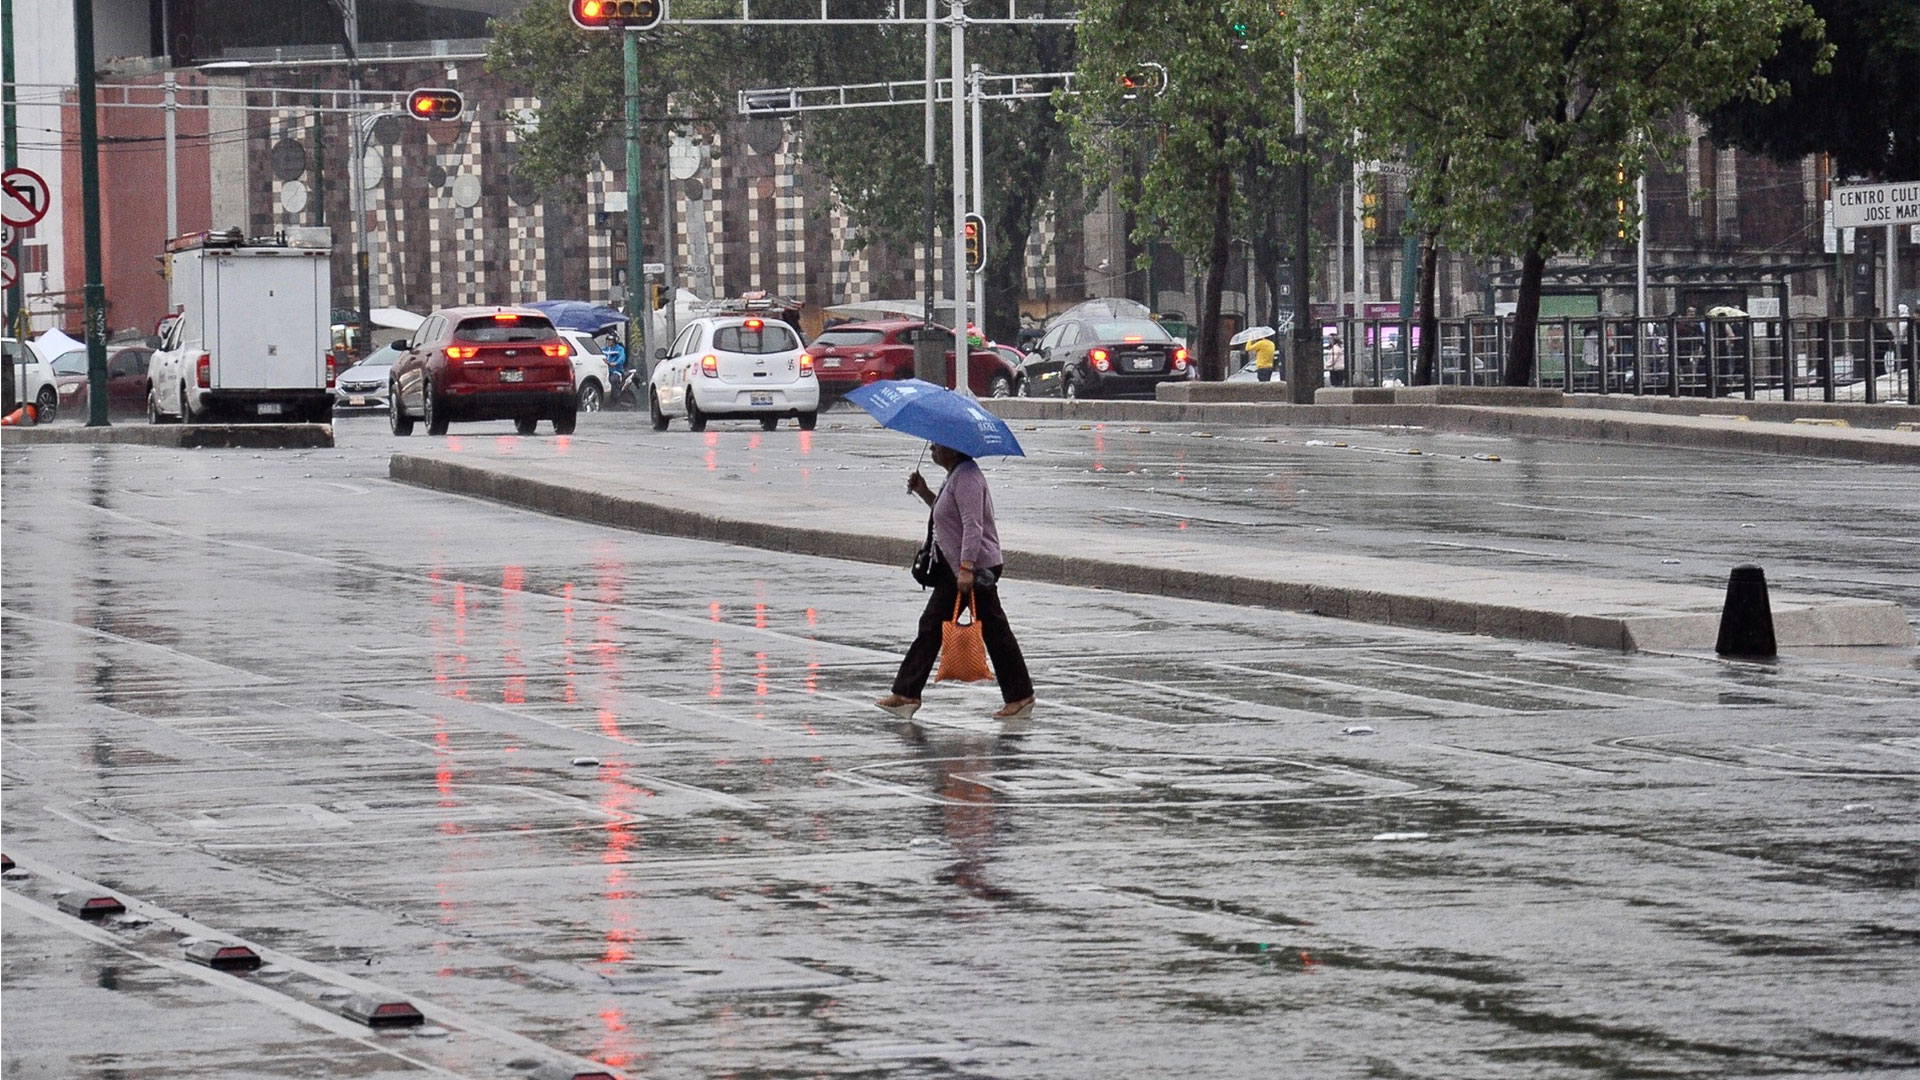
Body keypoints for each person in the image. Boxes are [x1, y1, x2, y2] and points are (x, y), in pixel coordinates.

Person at [875, 443, 1035, 723]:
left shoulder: (968, 477)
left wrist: (966, 568)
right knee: (933, 625)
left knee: (994, 631)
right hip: (957, 566)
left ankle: (1020, 696)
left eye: (939, 445)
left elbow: (974, 525)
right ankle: (907, 693)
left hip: (973, 567)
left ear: (954, 449)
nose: (934, 448)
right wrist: (924, 492)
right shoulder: (956, 475)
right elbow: (948, 516)